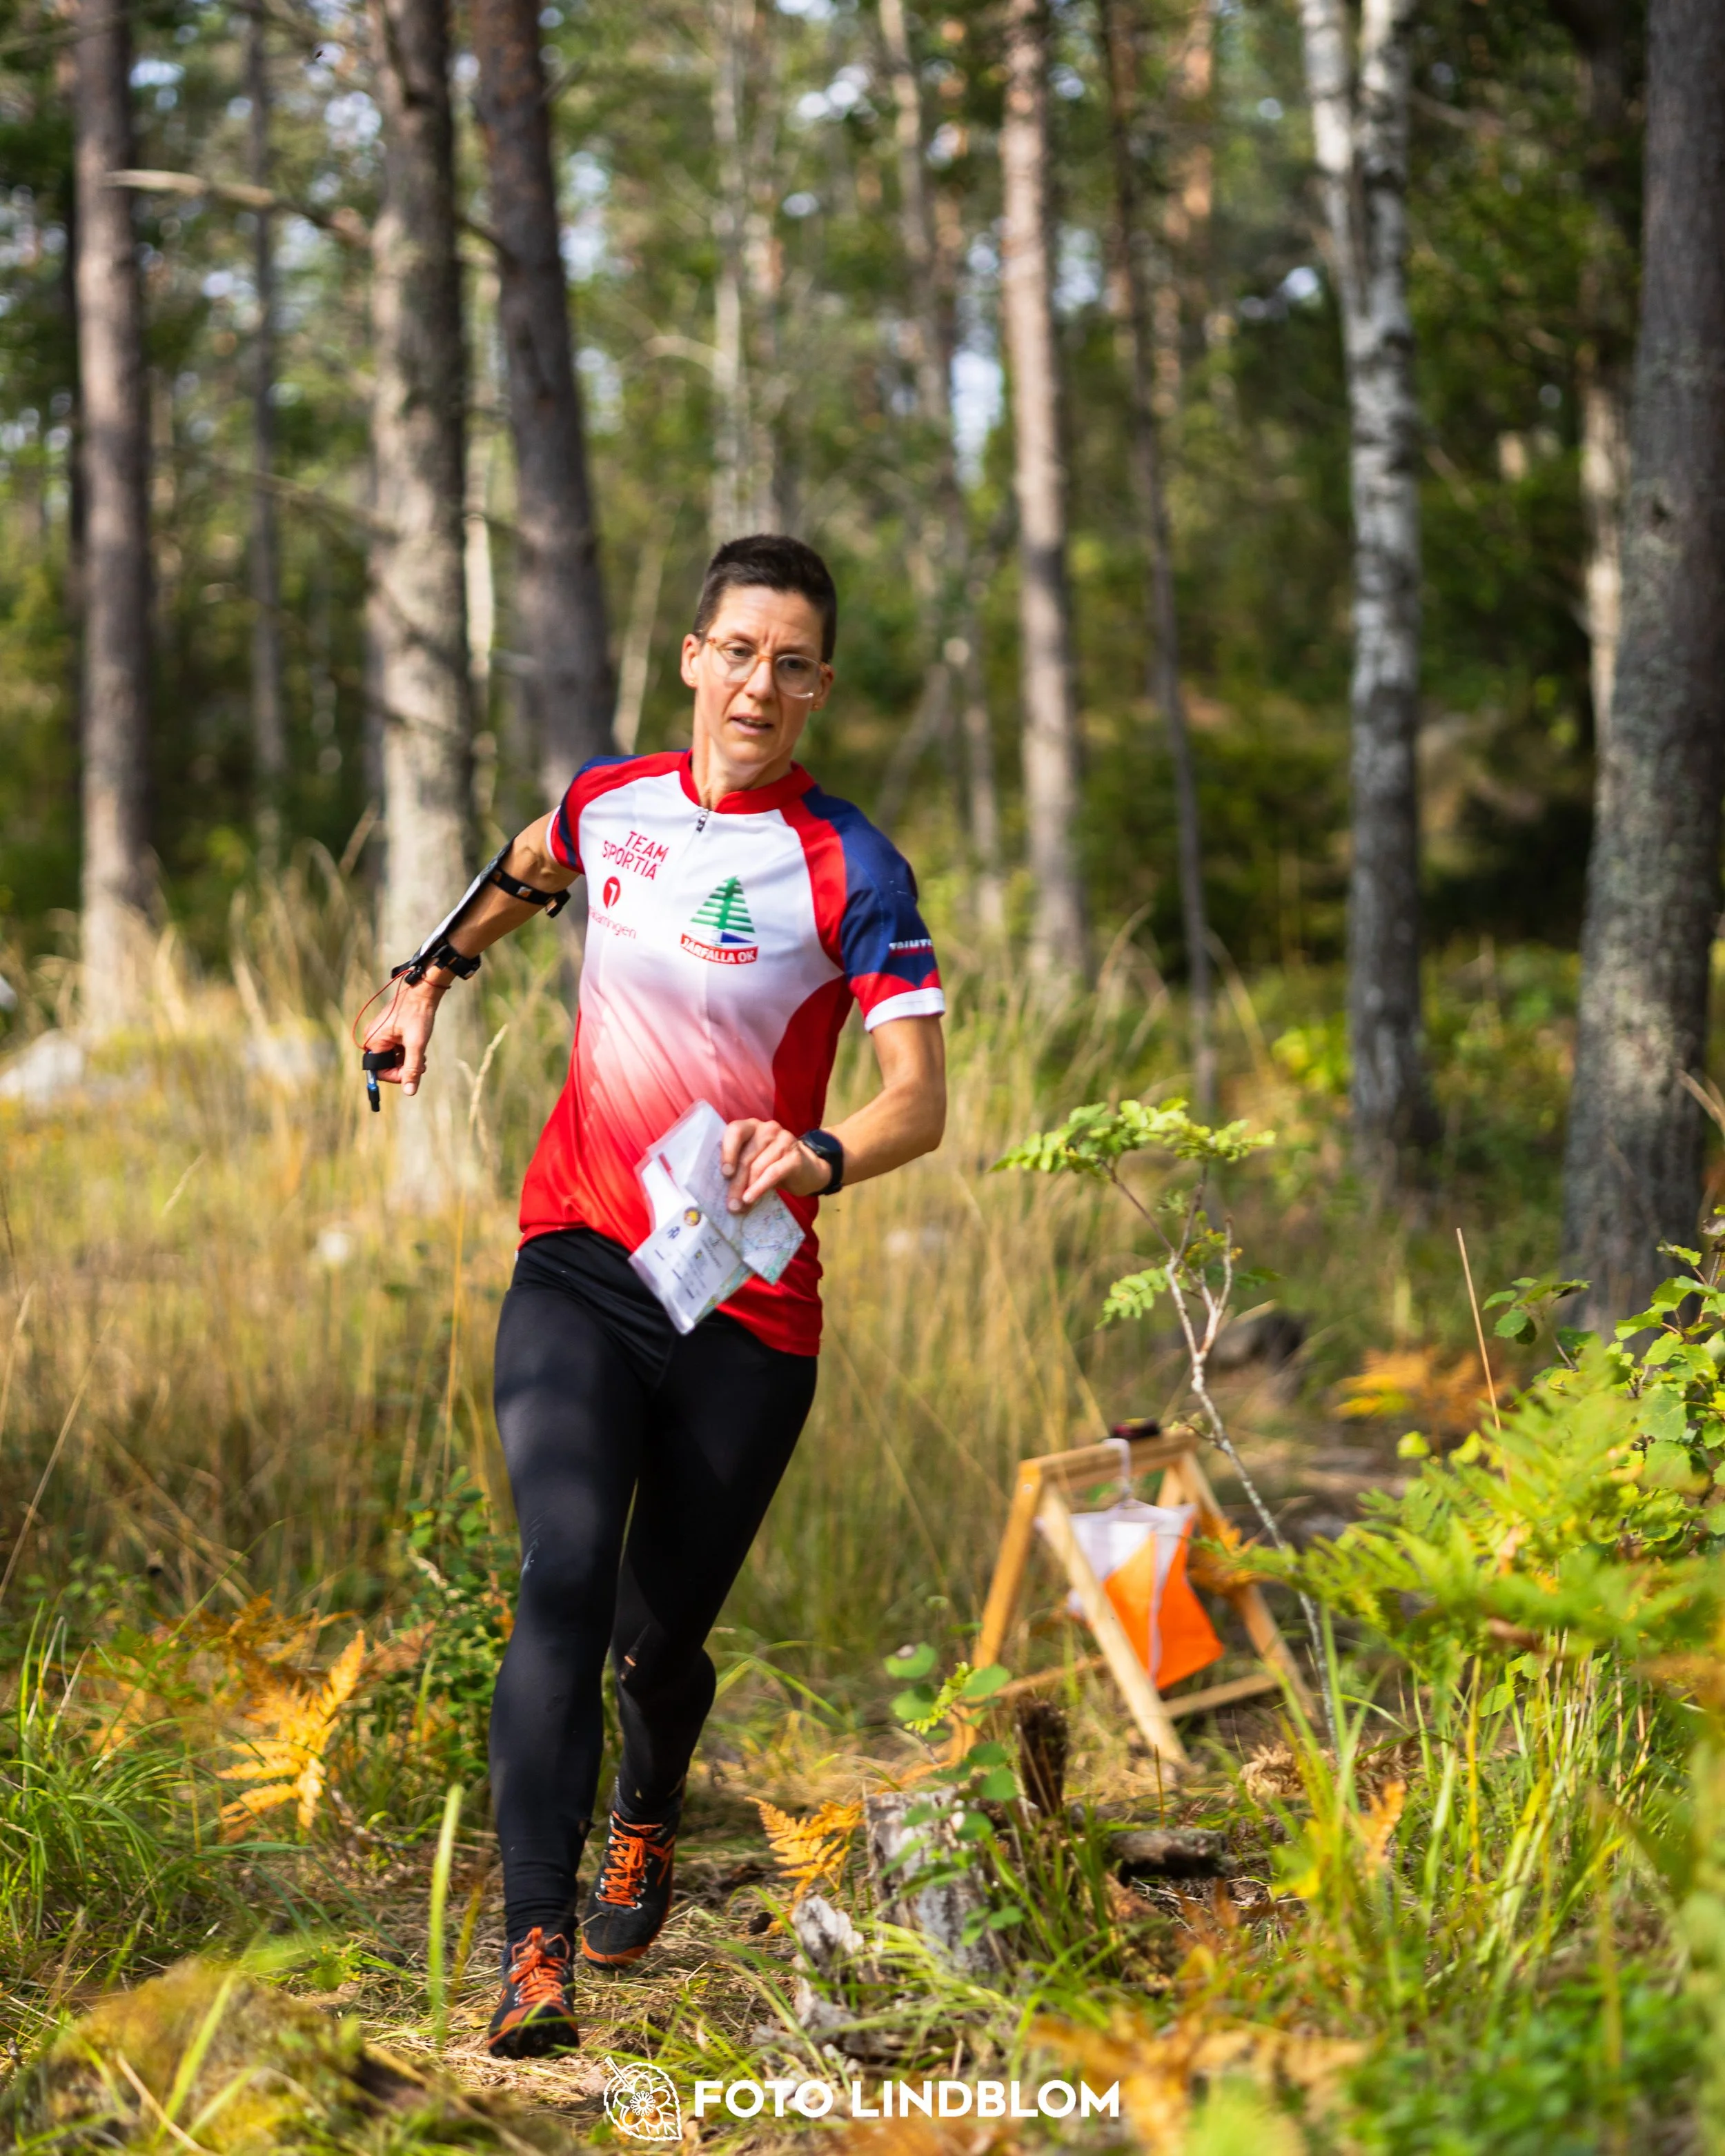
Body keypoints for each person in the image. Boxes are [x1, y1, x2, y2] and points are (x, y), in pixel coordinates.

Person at [364, 534, 947, 2058]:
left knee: (656, 1637)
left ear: (821, 687)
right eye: (739, 649)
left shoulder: (851, 866)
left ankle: (647, 1806)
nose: (763, 682)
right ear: (692, 654)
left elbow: (917, 1102)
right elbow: (524, 867)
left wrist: (817, 1153)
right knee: (560, 1571)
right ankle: (533, 1944)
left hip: (745, 1312)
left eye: (795, 661)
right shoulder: (610, 799)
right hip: (579, 1259)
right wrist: (424, 978)